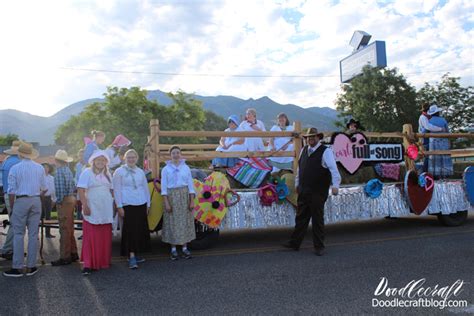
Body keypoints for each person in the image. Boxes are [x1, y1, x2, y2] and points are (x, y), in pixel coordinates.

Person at [283, 128, 341, 256]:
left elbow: (334, 170)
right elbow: (299, 169)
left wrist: (336, 185)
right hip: (304, 190)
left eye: (313, 137)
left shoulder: (326, 151)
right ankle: (295, 243)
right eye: (308, 137)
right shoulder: (304, 150)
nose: (310, 139)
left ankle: (319, 246)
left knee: (317, 219)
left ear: (318, 138)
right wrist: (297, 184)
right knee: (301, 218)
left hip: (318, 192)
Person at [3, 142, 46, 277]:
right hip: (35, 199)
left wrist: (12, 208)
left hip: (21, 200)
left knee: (18, 234)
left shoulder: (15, 168)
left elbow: (11, 191)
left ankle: (17, 267)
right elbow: (44, 188)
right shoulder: (39, 168)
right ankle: (31, 266)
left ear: (20, 154)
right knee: (33, 234)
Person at [77, 150, 114, 275]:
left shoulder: (108, 174)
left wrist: (114, 205)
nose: (100, 162)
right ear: (93, 161)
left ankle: (103, 261)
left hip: (105, 208)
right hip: (92, 206)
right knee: (91, 235)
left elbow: (112, 190)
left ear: (106, 162)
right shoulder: (87, 172)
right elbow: (81, 189)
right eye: (98, 160)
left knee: (104, 234)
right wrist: (85, 205)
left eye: (103, 160)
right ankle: (89, 264)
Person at [113, 149, 151, 269]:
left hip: (140, 202)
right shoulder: (119, 172)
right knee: (129, 231)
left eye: (133, 157)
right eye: (129, 157)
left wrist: (148, 204)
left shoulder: (140, 172)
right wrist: (119, 206)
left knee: (139, 229)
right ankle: (131, 256)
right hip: (127, 203)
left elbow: (145, 188)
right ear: (124, 158)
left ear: (136, 158)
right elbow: (116, 190)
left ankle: (136, 252)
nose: (131, 159)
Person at [161, 146, 196, 260]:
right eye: (173, 153)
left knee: (184, 221)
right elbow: (164, 187)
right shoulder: (165, 169)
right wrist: (166, 202)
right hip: (172, 196)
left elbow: (190, 185)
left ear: (180, 154)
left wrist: (191, 200)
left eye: (177, 153)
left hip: (184, 195)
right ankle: (173, 249)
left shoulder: (186, 168)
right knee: (173, 222)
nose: (175, 155)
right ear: (170, 155)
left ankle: (185, 248)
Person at [51, 150, 79, 266]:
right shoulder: (68, 170)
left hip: (64, 201)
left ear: (57, 161)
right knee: (69, 227)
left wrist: (57, 202)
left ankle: (65, 256)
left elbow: (60, 191)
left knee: (64, 229)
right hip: (71, 199)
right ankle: (73, 253)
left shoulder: (58, 172)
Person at [0, 140, 21, 260]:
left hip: (7, 194)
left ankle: (11, 248)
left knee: (14, 221)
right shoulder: (20, 162)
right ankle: (8, 248)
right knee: (16, 223)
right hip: (17, 195)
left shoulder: (6, 161)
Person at [427, 105, 453, 178]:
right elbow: (447, 131)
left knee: (434, 157)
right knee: (444, 156)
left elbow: (425, 131)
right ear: (438, 112)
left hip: (433, 142)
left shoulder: (429, 121)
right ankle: (445, 174)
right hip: (443, 141)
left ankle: (435, 174)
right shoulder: (443, 120)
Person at [418, 103, 443, 172]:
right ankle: (425, 172)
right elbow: (428, 126)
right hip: (425, 138)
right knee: (428, 156)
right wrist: (440, 129)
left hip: (428, 138)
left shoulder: (426, 117)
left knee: (430, 155)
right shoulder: (423, 117)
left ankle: (429, 172)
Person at [41, 163, 56, 238]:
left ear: (49, 168)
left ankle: (48, 233)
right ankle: (36, 234)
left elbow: (53, 190)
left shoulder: (52, 178)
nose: (45, 169)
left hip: (49, 198)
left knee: (48, 216)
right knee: (39, 216)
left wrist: (54, 199)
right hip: (41, 198)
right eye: (44, 167)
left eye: (47, 167)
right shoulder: (39, 177)